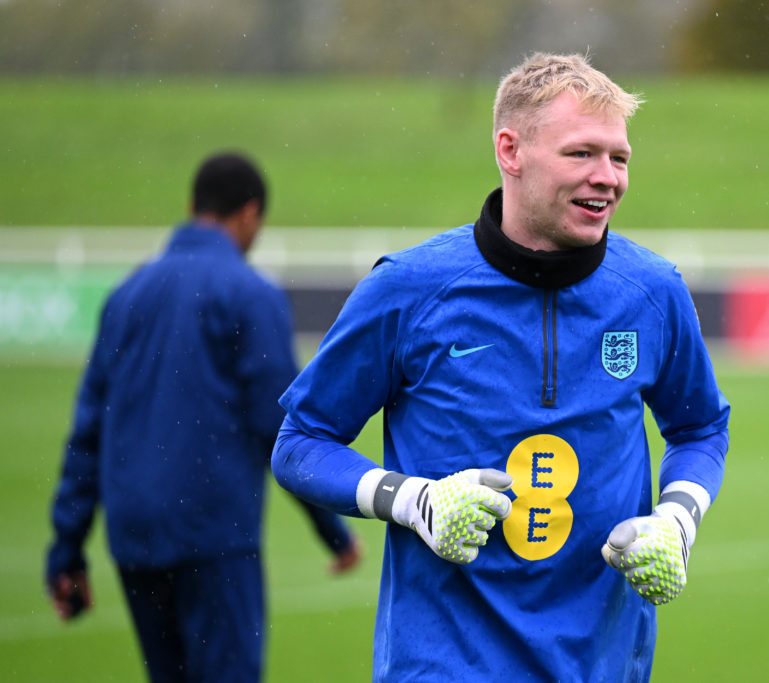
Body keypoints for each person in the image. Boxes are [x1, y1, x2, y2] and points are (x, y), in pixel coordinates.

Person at [272, 53, 730, 681]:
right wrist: (415, 501)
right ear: (510, 150)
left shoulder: (653, 290)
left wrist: (677, 520)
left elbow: (700, 428)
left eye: (619, 158)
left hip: (601, 666)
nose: (608, 178)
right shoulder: (410, 289)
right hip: (444, 666)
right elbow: (301, 443)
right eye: (581, 154)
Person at [45, 152, 362, 683]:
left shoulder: (126, 295)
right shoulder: (250, 295)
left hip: (134, 538)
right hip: (214, 534)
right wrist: (331, 528)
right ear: (251, 214)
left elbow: (88, 433)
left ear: (191, 206)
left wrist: (66, 549)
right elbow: (280, 429)